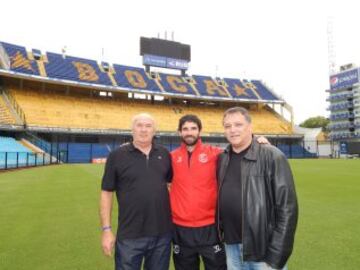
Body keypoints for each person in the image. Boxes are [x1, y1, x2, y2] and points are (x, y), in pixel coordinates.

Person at [217, 107, 298, 270]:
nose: (232, 130)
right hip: (232, 247)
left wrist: (276, 256)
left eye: (238, 124)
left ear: (250, 127)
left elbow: (288, 209)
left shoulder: (272, 155)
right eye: (227, 126)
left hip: (263, 251)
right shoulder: (222, 158)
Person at [100, 113, 173, 270]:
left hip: (162, 235)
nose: (144, 130)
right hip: (130, 236)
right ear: (132, 129)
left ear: (154, 131)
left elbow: (170, 185)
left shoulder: (164, 154)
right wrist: (106, 230)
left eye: (148, 126)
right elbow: (106, 192)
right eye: (139, 125)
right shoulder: (117, 156)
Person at [170, 114, 227, 270]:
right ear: (179, 132)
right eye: (185, 129)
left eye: (193, 128)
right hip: (181, 228)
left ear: (200, 131)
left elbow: (240, 151)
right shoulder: (171, 157)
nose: (189, 132)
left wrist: (258, 142)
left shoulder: (215, 153)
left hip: (210, 227)